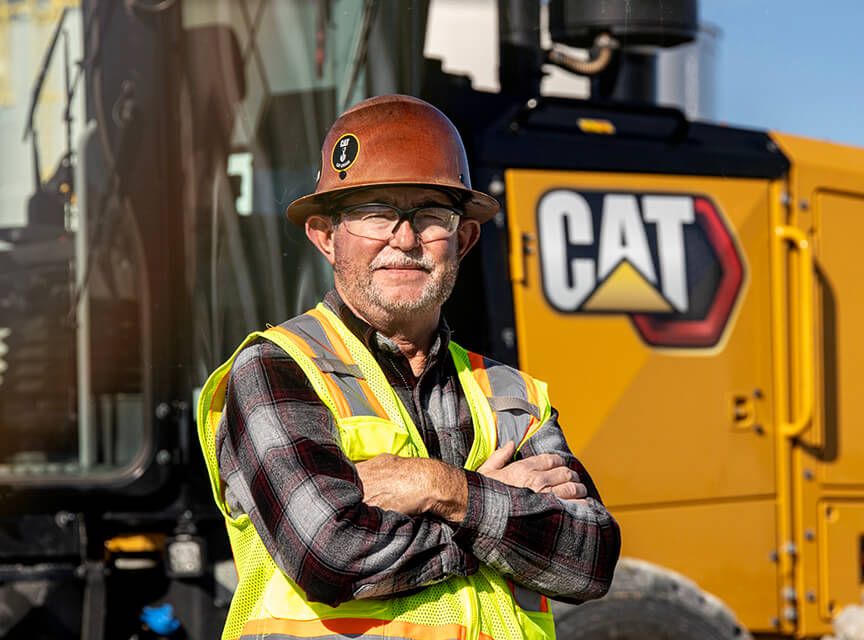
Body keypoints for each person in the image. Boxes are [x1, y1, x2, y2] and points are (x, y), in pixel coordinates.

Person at [196, 95, 620, 640]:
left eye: (430, 216)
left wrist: (442, 488)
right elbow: (331, 553)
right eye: (374, 213)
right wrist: (500, 513)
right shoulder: (278, 369)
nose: (403, 239)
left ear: (463, 240)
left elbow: (589, 559)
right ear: (326, 237)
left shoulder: (512, 395)